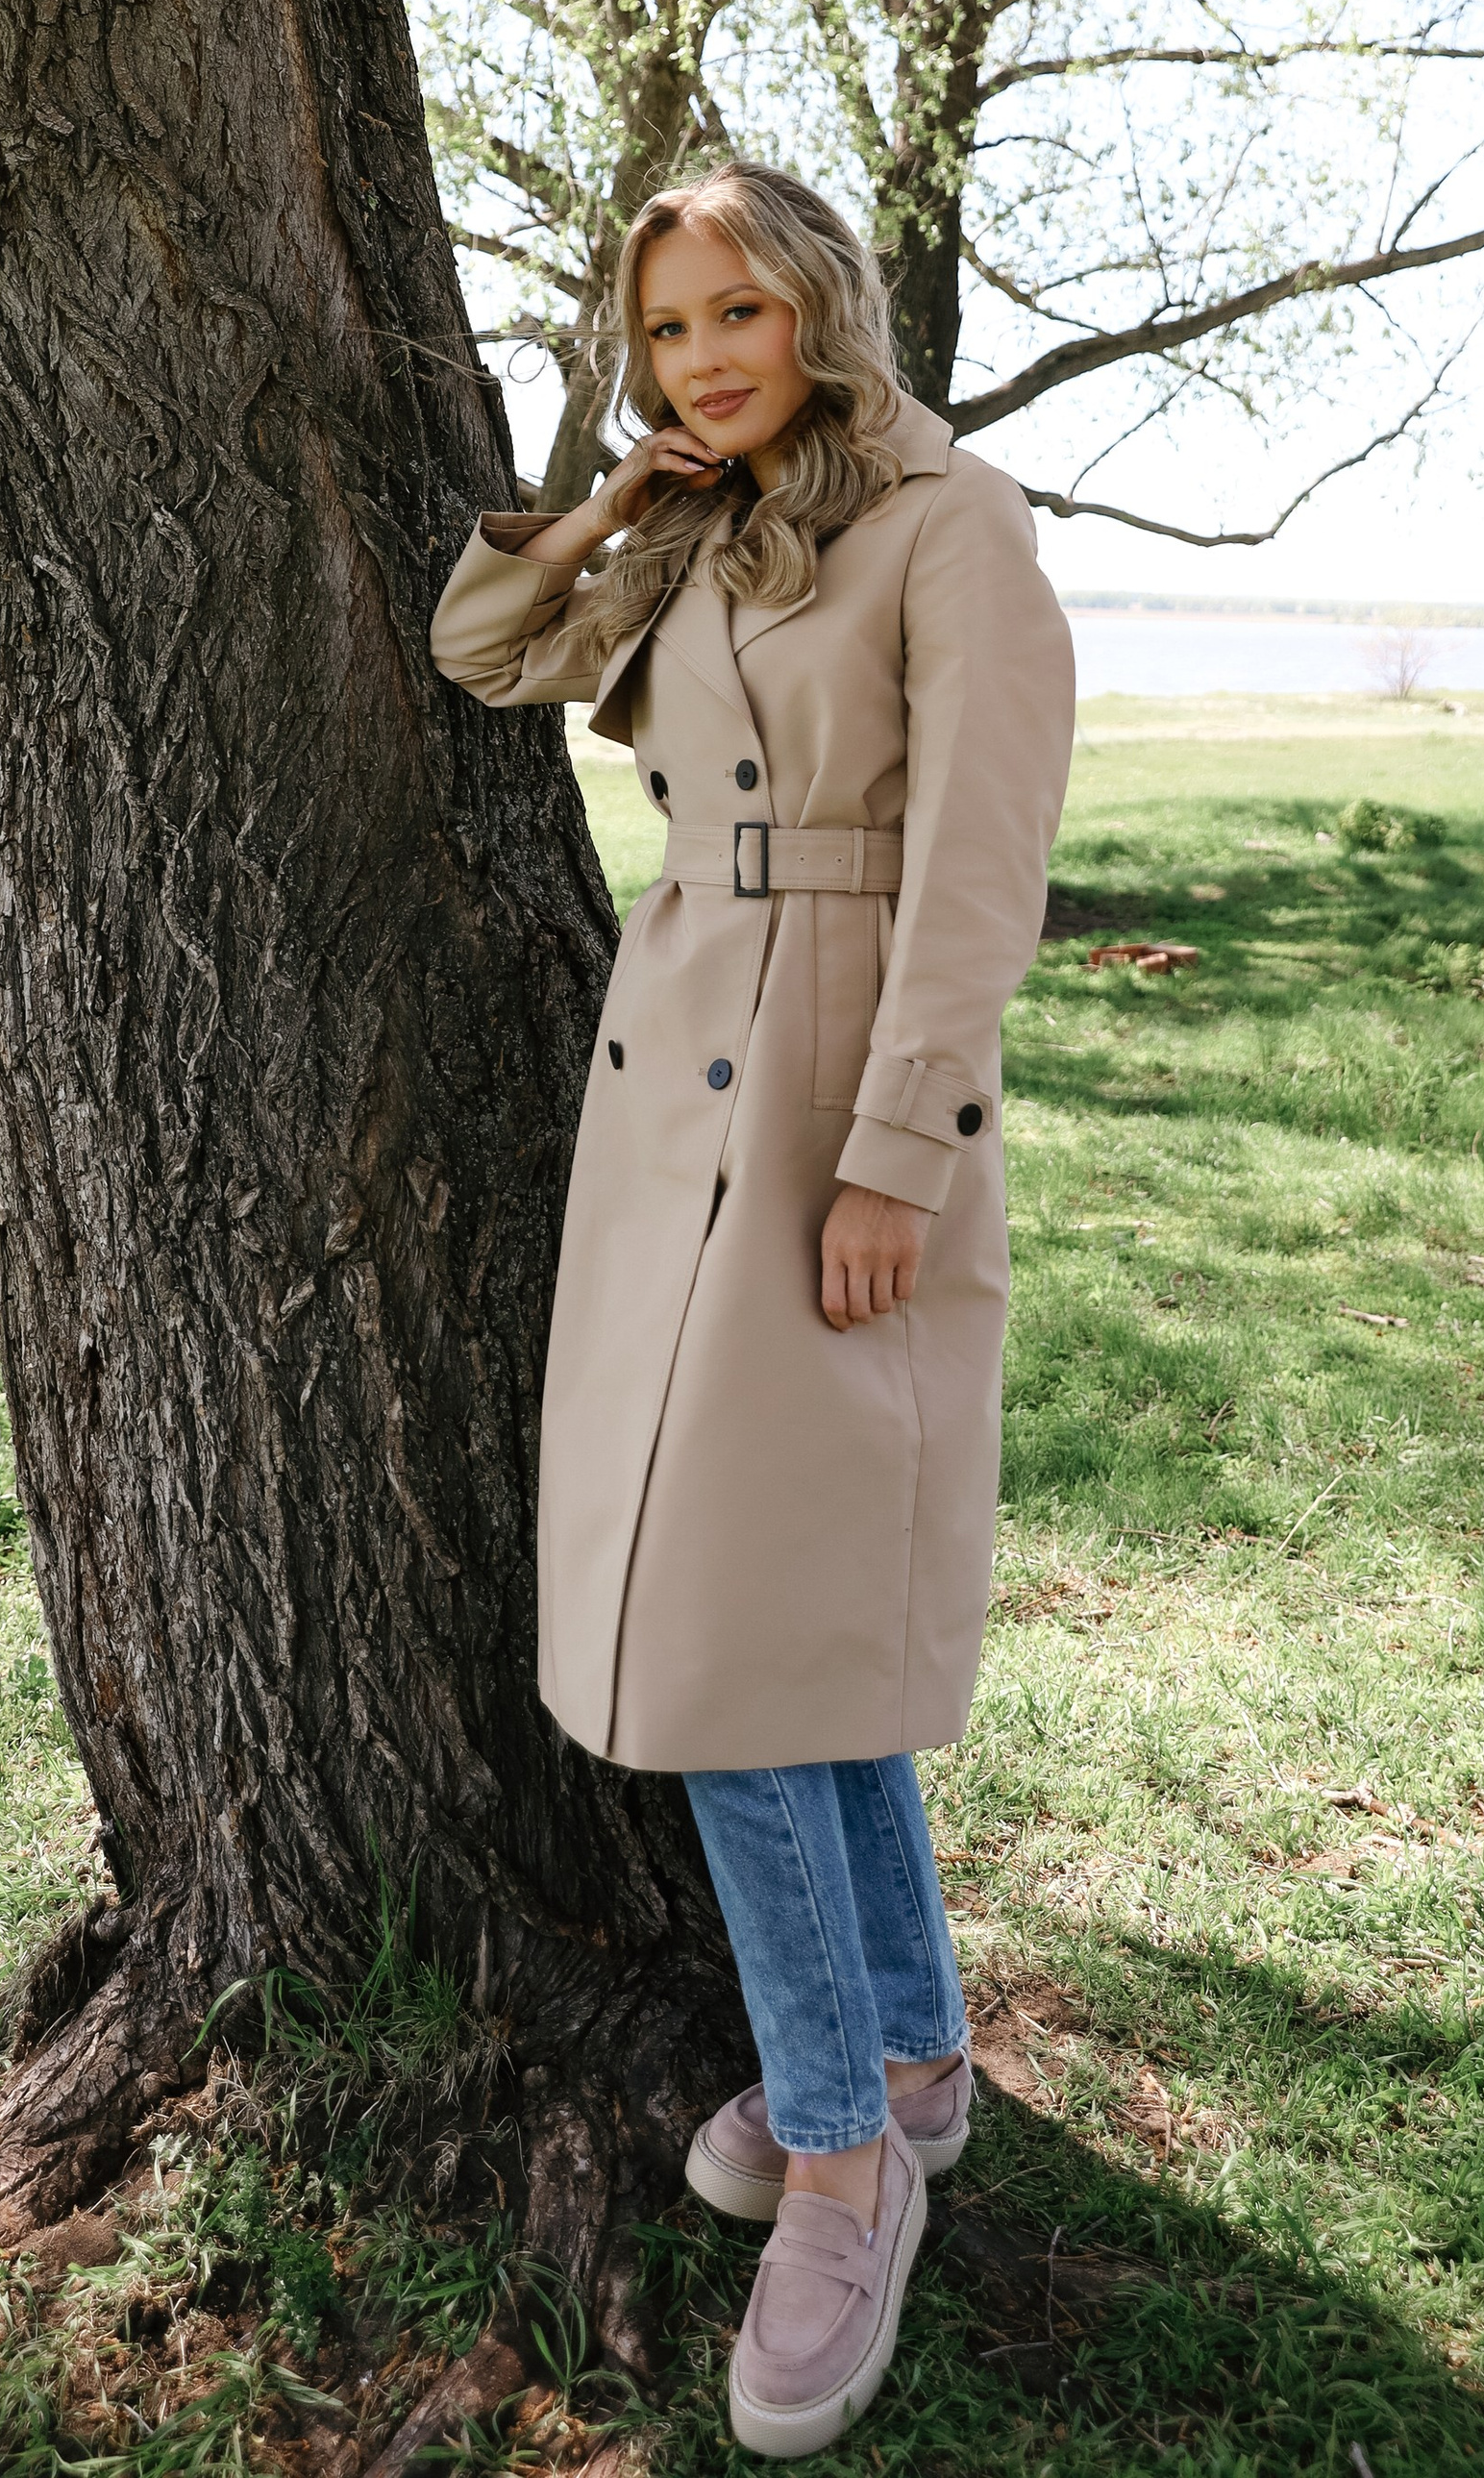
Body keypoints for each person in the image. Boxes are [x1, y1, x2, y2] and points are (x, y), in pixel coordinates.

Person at [430, 161, 1076, 2458]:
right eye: (666, 328)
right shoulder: (710, 520)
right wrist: (621, 487)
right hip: (671, 1068)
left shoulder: (945, 522)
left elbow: (984, 868)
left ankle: (837, 2163)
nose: (703, 355)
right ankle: (904, 2063)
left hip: (827, 1096)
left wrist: (899, 1151)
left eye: (736, 315)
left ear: (818, 302)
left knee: (729, 1653)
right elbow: (487, 653)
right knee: (764, 1627)